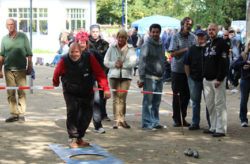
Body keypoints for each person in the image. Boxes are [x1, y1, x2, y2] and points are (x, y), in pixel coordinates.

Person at [53, 43, 111, 148]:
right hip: (70, 91)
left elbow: (99, 73)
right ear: (68, 51)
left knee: (87, 115)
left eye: (76, 52)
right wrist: (55, 82)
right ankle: (73, 138)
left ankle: (80, 137)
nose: (74, 54)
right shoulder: (64, 60)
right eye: (72, 52)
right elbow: (57, 73)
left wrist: (106, 88)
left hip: (87, 91)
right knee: (73, 112)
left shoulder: (89, 58)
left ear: (81, 52)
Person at [0, 18, 32, 122]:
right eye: (8, 24)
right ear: (6, 26)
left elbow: (29, 54)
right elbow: (1, 55)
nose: (10, 26)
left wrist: (29, 67)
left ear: (15, 25)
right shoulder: (4, 39)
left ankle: (21, 113)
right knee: (10, 93)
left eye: (12, 24)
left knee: (21, 92)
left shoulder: (23, 37)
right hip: (8, 69)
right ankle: (14, 114)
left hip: (21, 69)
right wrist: (0, 70)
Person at [104, 29, 137, 129]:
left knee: (123, 99)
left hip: (126, 76)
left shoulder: (131, 49)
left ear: (126, 38)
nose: (121, 39)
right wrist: (114, 64)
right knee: (116, 99)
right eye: (119, 37)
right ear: (117, 37)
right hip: (114, 75)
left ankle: (122, 120)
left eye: (123, 37)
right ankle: (116, 120)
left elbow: (134, 62)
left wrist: (123, 65)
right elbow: (105, 61)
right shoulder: (111, 47)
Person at [168, 17, 196, 127]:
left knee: (187, 96)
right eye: (186, 24)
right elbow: (172, 53)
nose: (188, 26)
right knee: (177, 96)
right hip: (177, 71)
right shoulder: (175, 37)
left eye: (190, 24)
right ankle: (176, 119)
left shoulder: (193, 37)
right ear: (182, 24)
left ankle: (183, 117)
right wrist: (186, 50)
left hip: (189, 71)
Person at [203, 24, 229, 137]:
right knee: (210, 105)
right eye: (209, 30)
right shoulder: (208, 44)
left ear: (217, 31)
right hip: (207, 80)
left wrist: (220, 78)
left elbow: (224, 62)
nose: (211, 31)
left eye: (213, 29)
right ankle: (213, 127)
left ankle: (221, 129)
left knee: (219, 104)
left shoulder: (222, 43)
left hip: (217, 80)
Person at [138, 24, 166, 130]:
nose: (155, 34)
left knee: (156, 102)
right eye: (153, 32)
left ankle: (155, 122)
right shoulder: (146, 45)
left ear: (160, 32)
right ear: (150, 32)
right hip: (149, 77)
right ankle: (146, 123)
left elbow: (163, 59)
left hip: (159, 77)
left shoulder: (162, 44)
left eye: (157, 32)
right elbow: (142, 62)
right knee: (148, 102)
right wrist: (141, 78)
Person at [184, 30, 208, 130]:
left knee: (209, 103)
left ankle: (212, 124)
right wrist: (189, 77)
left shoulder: (209, 48)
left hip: (208, 80)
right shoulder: (192, 49)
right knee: (195, 102)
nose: (200, 38)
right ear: (196, 37)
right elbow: (186, 63)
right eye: (198, 36)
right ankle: (195, 123)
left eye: (202, 36)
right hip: (194, 79)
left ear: (205, 37)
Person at [88, 25, 111, 122]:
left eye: (97, 31)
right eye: (93, 31)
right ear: (90, 32)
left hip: (102, 71)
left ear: (99, 32)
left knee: (103, 93)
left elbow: (107, 58)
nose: (95, 33)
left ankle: (103, 114)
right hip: (89, 73)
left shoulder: (105, 44)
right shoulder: (86, 42)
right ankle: (89, 114)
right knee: (90, 94)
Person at [232, 41, 250, 127]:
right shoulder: (244, 55)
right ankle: (243, 119)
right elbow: (234, 65)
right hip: (245, 80)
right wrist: (245, 62)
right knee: (244, 100)